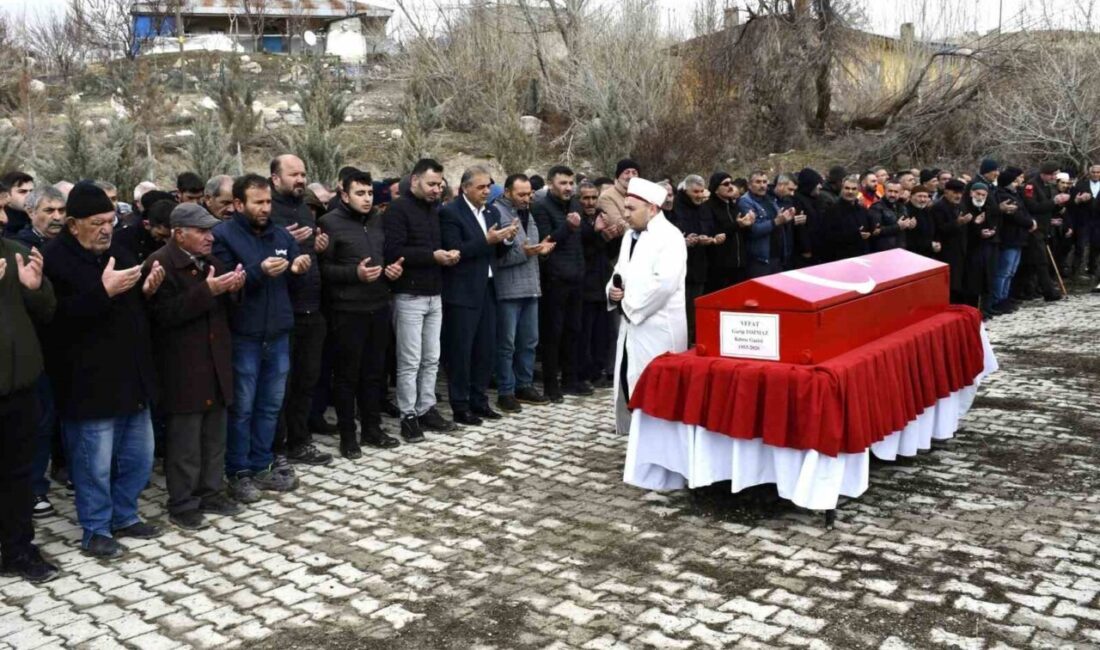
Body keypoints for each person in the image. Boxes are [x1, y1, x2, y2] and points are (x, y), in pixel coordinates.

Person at [42, 181, 165, 558]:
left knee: (138, 457)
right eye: (96, 222)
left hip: (131, 377)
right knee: (92, 464)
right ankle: (95, 529)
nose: (106, 229)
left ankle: (125, 516)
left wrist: (145, 291)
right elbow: (53, 320)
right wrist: (103, 292)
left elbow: (133, 311)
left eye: (110, 220)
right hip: (87, 384)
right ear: (72, 223)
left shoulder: (120, 250)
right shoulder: (53, 259)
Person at [145, 203, 246, 530]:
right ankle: (183, 502)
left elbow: (225, 308)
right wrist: (208, 291)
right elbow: (161, 316)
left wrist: (233, 289)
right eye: (201, 232)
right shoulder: (159, 264)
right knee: (185, 441)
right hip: (182, 368)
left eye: (210, 231)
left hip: (215, 362)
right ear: (179, 234)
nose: (210, 238)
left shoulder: (211, 262)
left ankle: (212, 491)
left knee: (215, 435)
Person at [213, 174, 312, 502]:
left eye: (268, 202)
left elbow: (296, 279)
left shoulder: (281, 234)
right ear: (239, 204)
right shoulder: (223, 236)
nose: (265, 208)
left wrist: (298, 268)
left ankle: (262, 464)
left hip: (279, 333)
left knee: (270, 405)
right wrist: (257, 272)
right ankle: (237, 471)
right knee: (242, 406)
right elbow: (225, 284)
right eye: (258, 202)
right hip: (244, 336)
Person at [318, 170, 405, 457]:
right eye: (360, 193)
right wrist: (354, 274)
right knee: (347, 376)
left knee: (374, 373)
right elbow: (324, 270)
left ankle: (372, 428)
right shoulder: (329, 223)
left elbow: (384, 260)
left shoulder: (377, 221)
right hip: (347, 311)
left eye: (369, 193)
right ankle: (347, 435)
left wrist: (391, 272)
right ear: (344, 195)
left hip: (378, 305)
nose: (367, 199)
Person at [384, 158, 459, 440]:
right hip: (409, 296)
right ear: (414, 180)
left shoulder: (434, 210)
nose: (436, 189)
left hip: (434, 293)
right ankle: (409, 415)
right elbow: (394, 251)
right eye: (431, 184)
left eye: (439, 185)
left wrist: (448, 255)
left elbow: (434, 247)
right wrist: (433, 256)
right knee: (409, 360)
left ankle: (427, 407)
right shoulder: (397, 209)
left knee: (431, 359)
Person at [606, 177, 687, 435]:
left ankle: (659, 449)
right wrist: (612, 290)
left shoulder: (670, 237)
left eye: (631, 209)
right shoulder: (630, 235)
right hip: (631, 325)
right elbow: (619, 270)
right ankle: (639, 447)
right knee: (630, 381)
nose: (625, 215)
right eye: (625, 208)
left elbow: (664, 284)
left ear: (652, 208)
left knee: (658, 391)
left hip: (657, 326)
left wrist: (630, 306)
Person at [0, 228, 58, 581]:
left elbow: (46, 313)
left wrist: (36, 289)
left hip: (20, 389)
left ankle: (18, 550)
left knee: (18, 477)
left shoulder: (16, 252)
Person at [268, 155, 332, 469]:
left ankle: (300, 440)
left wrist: (316, 247)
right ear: (275, 178)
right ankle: (276, 447)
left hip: (312, 306)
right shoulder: (269, 212)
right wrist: (282, 242)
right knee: (283, 384)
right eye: (293, 174)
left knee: (307, 379)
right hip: (283, 309)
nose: (300, 179)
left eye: (303, 174)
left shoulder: (305, 209)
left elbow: (307, 252)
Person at [440, 165, 518, 425]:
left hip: (488, 288)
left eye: (488, 186)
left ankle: (479, 400)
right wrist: (487, 240)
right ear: (465, 188)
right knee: (461, 351)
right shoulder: (450, 212)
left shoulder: (492, 211)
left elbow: (494, 253)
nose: (486, 191)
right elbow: (456, 251)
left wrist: (506, 240)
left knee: (486, 349)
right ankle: (460, 405)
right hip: (462, 292)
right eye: (481, 187)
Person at [493, 174, 553, 413]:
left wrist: (542, 250)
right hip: (507, 289)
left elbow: (530, 247)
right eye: (521, 194)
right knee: (507, 344)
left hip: (531, 287)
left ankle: (524, 385)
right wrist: (527, 253)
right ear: (507, 192)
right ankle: (505, 390)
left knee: (529, 341)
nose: (527, 198)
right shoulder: (497, 213)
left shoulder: (529, 212)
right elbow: (498, 258)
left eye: (529, 194)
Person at [533, 165, 590, 401]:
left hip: (576, 276)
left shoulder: (575, 205)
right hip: (555, 279)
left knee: (573, 330)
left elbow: (581, 238)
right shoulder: (541, 207)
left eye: (570, 183)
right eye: (563, 183)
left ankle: (570, 379)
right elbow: (546, 241)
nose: (568, 188)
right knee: (553, 333)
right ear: (549, 183)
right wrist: (568, 227)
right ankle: (551, 385)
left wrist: (595, 230)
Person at [670, 175, 717, 342]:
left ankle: (691, 343)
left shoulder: (703, 208)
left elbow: (710, 227)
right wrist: (685, 241)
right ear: (686, 190)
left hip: (699, 266)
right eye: (695, 192)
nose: (698, 195)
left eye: (701, 191)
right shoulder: (675, 207)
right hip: (680, 268)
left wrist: (709, 238)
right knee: (680, 311)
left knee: (694, 311)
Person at [578, 180, 616, 385]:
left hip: (602, 282)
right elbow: (582, 251)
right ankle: (584, 372)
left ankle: (598, 370)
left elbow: (606, 252)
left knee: (602, 332)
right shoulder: (577, 219)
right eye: (586, 198)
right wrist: (596, 234)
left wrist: (610, 237)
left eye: (594, 197)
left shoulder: (602, 216)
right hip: (584, 284)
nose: (590, 202)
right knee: (585, 332)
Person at [1019, 162, 1066, 302]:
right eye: (1052, 175)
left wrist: (1058, 205)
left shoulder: (1047, 186)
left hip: (1044, 229)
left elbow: (1047, 207)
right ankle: (1049, 292)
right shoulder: (1031, 186)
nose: (1054, 177)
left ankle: (1029, 290)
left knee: (1033, 263)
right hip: (1034, 229)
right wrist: (1054, 202)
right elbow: (1033, 207)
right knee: (1041, 262)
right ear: (1045, 174)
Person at [992, 167, 1033, 313]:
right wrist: (1029, 223)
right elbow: (1015, 215)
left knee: (1011, 271)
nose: (1018, 183)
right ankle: (998, 299)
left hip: (1018, 237)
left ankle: (1004, 297)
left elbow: (1024, 210)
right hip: (1009, 237)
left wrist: (1030, 221)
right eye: (1015, 181)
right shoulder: (1003, 195)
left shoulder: (1015, 194)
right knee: (1004, 270)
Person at [738, 171, 794, 278]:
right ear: (749, 185)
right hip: (760, 259)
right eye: (758, 182)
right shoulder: (745, 202)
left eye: (764, 182)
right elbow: (754, 230)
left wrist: (787, 217)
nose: (762, 185)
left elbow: (779, 218)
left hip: (777, 255)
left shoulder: (769, 199)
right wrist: (776, 221)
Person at [705, 172, 750, 291]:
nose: (730, 186)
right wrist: (737, 225)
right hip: (720, 266)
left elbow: (741, 231)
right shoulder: (708, 207)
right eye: (726, 184)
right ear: (716, 189)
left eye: (731, 183)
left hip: (739, 264)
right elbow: (713, 231)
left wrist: (748, 224)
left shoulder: (734, 206)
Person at [961, 182, 1000, 316]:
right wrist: (976, 226)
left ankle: (986, 307)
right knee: (974, 280)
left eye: (983, 195)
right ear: (971, 193)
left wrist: (992, 231)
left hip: (987, 246)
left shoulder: (988, 207)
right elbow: (963, 230)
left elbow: (995, 222)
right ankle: (973, 310)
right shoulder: (965, 207)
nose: (980, 197)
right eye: (978, 194)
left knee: (988, 276)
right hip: (972, 249)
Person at [932, 178, 972, 304]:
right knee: (950, 283)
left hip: (961, 248)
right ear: (946, 192)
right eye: (955, 193)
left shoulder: (961, 205)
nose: (958, 196)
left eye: (960, 193)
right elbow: (939, 228)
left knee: (960, 281)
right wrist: (957, 223)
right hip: (947, 250)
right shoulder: (939, 207)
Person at [820, 175, 872, 262]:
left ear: (858, 191)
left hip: (862, 257)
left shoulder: (862, 210)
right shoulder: (832, 211)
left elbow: (868, 228)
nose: (850, 191)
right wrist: (855, 235)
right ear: (842, 189)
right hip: (841, 258)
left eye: (854, 189)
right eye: (847, 188)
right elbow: (828, 237)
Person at [1069, 164, 1100, 278]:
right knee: (1080, 246)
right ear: (1089, 173)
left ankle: (1092, 270)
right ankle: (1075, 271)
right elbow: (1073, 203)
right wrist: (1079, 200)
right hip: (1084, 221)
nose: (1096, 174)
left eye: (1098, 172)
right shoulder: (1080, 185)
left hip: (1098, 222)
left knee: (1096, 247)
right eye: (1094, 172)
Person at [904, 185, 941, 260]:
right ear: (911, 197)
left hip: (928, 254)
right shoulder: (905, 211)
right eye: (919, 196)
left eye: (925, 197)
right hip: (912, 255)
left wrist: (936, 243)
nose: (923, 199)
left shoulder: (928, 211)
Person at [2, 171, 34, 236]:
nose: (30, 196)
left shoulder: (37, 215)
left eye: (31, 191)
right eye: (22, 191)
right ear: (7, 194)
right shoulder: (3, 220)